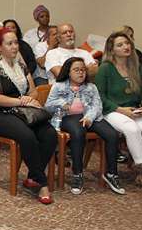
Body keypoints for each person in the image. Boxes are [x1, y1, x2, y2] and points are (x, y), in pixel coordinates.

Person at [0, 27, 57, 204]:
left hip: (23, 113)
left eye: (16, 42)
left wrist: (29, 100)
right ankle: (43, 184)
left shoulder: (22, 67)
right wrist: (22, 101)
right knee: (27, 136)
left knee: (49, 134)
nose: (15, 46)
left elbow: (33, 91)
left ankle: (33, 176)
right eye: (9, 43)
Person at [44, 57, 125, 195]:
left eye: (83, 70)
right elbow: (48, 105)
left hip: (90, 117)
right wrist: (62, 104)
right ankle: (77, 174)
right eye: (76, 70)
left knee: (112, 134)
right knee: (78, 132)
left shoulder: (91, 87)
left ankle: (111, 174)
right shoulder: (59, 86)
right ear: (68, 72)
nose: (81, 73)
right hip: (68, 117)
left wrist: (89, 118)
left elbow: (97, 106)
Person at [95, 31, 142, 192]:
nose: (126, 46)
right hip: (113, 110)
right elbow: (100, 97)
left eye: (127, 43)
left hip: (135, 109)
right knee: (132, 129)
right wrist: (121, 110)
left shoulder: (135, 66)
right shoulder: (105, 69)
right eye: (120, 44)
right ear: (112, 50)